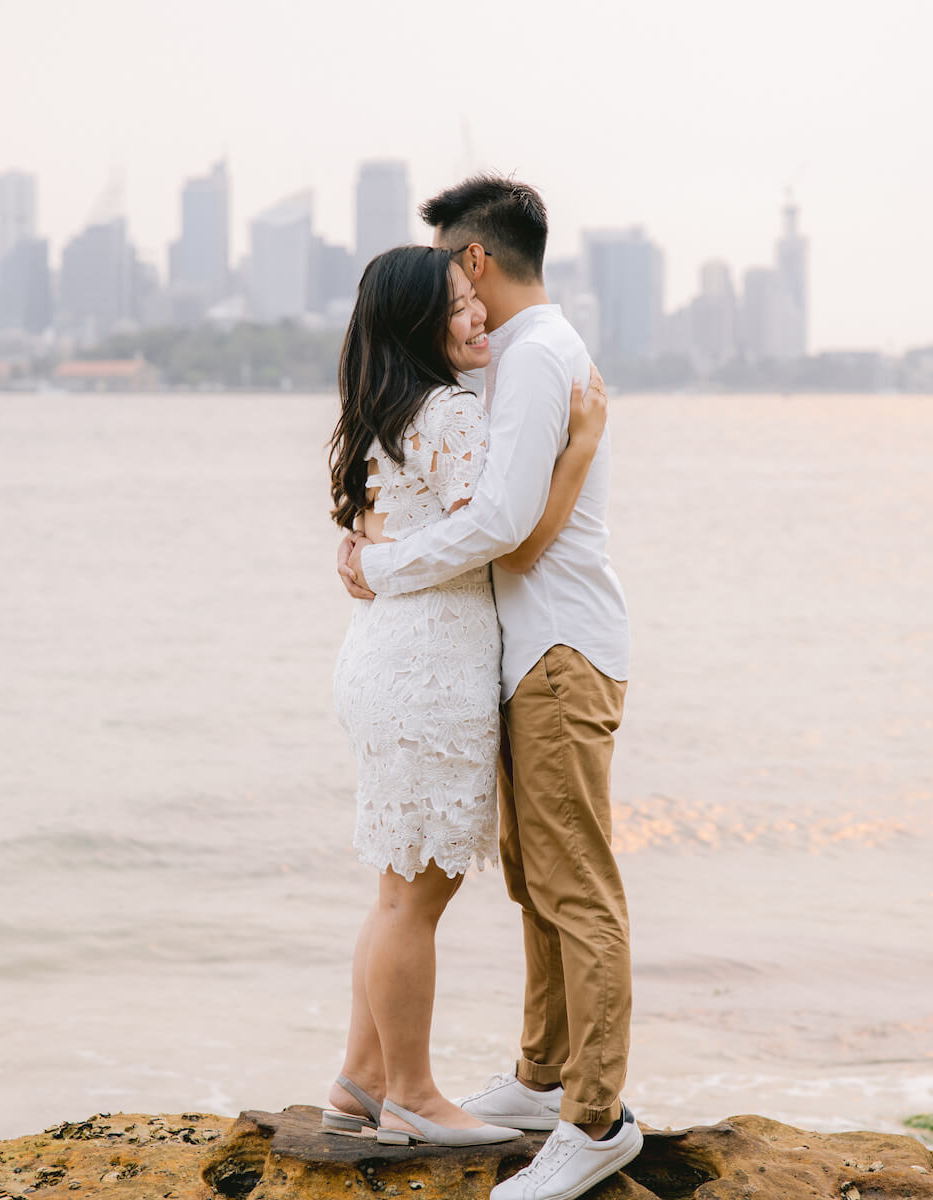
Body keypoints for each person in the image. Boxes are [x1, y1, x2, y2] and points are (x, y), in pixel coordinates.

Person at [337, 176, 640, 1200]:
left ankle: (594, 1119)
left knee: (573, 888)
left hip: (557, 650)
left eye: (458, 274)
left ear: (472, 258)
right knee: (532, 881)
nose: (462, 305)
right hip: (517, 656)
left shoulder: (539, 356)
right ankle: (541, 1078)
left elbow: (505, 529)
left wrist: (380, 563)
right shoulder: (506, 360)